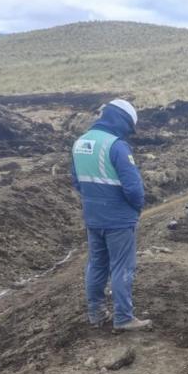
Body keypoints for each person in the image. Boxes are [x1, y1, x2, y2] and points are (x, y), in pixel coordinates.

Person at [70, 99, 152, 331]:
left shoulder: (80, 142)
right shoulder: (116, 146)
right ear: (121, 121)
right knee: (122, 267)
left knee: (97, 264)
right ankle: (124, 317)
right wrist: (136, 208)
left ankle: (96, 314)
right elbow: (134, 188)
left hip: (93, 216)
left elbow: (76, 180)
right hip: (118, 219)